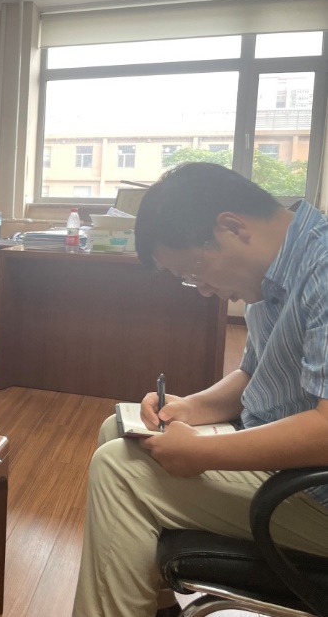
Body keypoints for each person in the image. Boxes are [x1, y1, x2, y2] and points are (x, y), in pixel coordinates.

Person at [72, 162, 328, 617]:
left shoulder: (322, 270)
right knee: (120, 430)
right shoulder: (274, 271)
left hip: (314, 491)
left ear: (232, 227)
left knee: (119, 472)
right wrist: (191, 408)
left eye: (193, 271)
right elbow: (255, 374)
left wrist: (204, 453)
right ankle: (154, 606)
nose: (204, 290)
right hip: (289, 467)